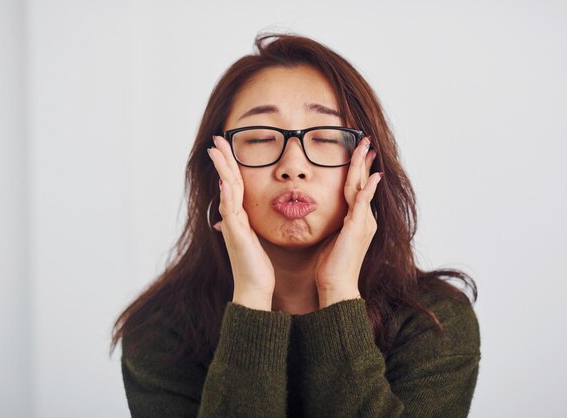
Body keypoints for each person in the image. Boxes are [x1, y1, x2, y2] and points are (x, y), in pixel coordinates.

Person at [110, 33, 480, 417]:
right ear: (217, 168)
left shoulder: (433, 321)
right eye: (259, 138)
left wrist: (337, 293)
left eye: (324, 137)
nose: (293, 166)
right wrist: (252, 298)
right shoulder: (161, 332)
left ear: (368, 163)